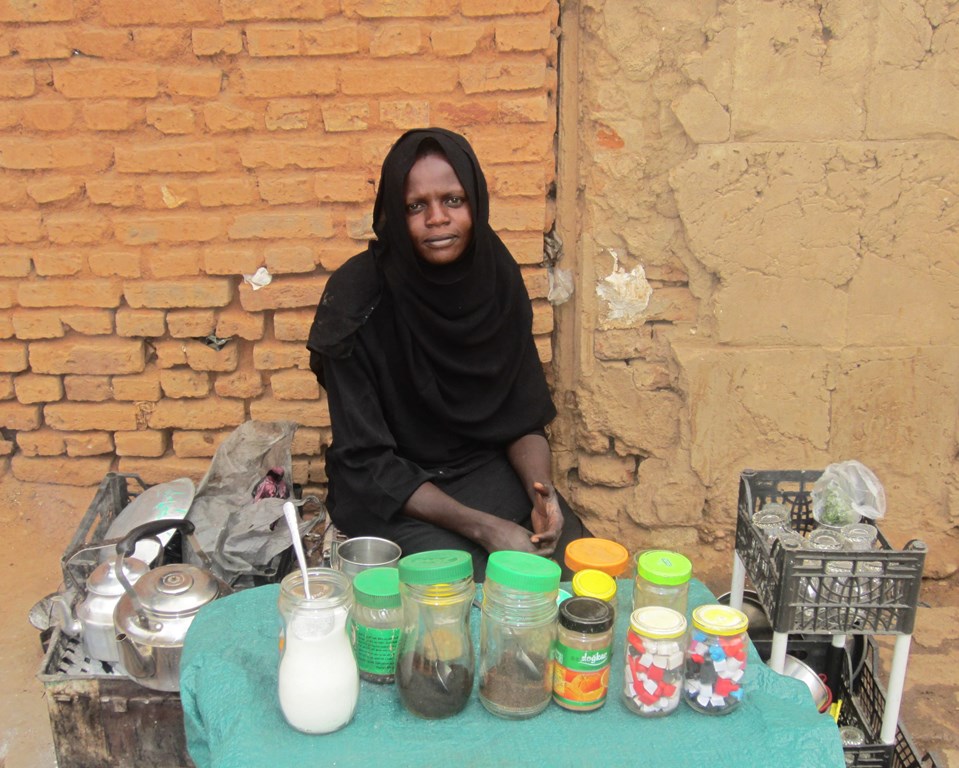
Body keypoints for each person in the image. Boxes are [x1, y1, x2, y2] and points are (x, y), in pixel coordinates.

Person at [307, 128, 590, 581]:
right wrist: (484, 527)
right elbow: (366, 459)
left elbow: (522, 417)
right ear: (395, 216)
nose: (437, 218)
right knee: (477, 591)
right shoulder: (356, 299)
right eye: (416, 206)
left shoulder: (495, 279)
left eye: (453, 200)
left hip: (480, 472)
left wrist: (543, 495)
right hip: (392, 490)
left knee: (576, 573)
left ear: (475, 202)